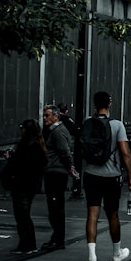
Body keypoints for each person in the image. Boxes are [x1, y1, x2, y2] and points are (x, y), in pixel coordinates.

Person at [81, 91, 131, 261]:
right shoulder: (117, 125)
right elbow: (125, 154)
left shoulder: (87, 123)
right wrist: (130, 177)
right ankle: (116, 253)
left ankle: (92, 258)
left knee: (92, 215)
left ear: (95, 104)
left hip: (91, 174)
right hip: (111, 176)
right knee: (112, 214)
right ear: (109, 104)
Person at [4, 119, 48, 254]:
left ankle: (27, 244)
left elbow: (19, 164)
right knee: (24, 214)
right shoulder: (38, 145)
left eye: (22, 127)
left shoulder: (27, 145)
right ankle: (28, 244)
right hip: (31, 184)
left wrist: (10, 158)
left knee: (22, 215)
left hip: (22, 184)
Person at [41, 105, 76, 251]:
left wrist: (70, 167)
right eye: (44, 115)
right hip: (55, 171)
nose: (44, 118)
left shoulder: (58, 132)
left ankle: (58, 239)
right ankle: (56, 238)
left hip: (56, 172)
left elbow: (64, 151)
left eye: (47, 115)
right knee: (55, 207)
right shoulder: (55, 131)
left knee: (56, 207)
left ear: (56, 116)